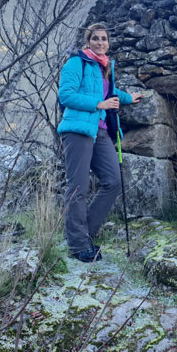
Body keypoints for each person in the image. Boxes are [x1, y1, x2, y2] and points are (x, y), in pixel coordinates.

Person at [57, 23, 143, 262]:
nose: (100, 42)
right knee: (78, 187)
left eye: (104, 39)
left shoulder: (105, 66)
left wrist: (128, 98)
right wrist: (99, 105)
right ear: (88, 41)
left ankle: (84, 235)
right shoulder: (77, 62)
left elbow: (110, 92)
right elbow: (66, 95)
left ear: (108, 42)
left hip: (100, 132)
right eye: (95, 38)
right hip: (77, 130)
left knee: (113, 181)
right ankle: (77, 245)